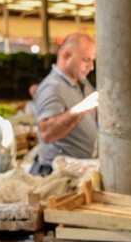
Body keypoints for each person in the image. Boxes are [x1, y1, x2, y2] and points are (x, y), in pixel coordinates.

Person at [31, 33, 98, 176]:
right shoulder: (52, 88)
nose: (91, 67)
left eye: (93, 60)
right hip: (57, 173)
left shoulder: (82, 83)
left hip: (78, 170)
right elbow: (47, 133)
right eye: (86, 60)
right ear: (66, 55)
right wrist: (83, 107)